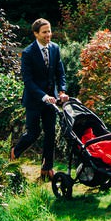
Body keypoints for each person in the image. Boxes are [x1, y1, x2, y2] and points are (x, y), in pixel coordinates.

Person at [14, 18, 69, 179]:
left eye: (49, 31)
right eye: (44, 32)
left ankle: (47, 169)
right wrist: (44, 96)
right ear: (36, 33)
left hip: (51, 100)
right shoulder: (28, 53)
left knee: (50, 133)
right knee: (33, 133)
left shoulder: (55, 48)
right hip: (34, 100)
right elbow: (28, 81)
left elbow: (60, 73)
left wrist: (62, 91)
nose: (48, 35)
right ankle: (15, 151)